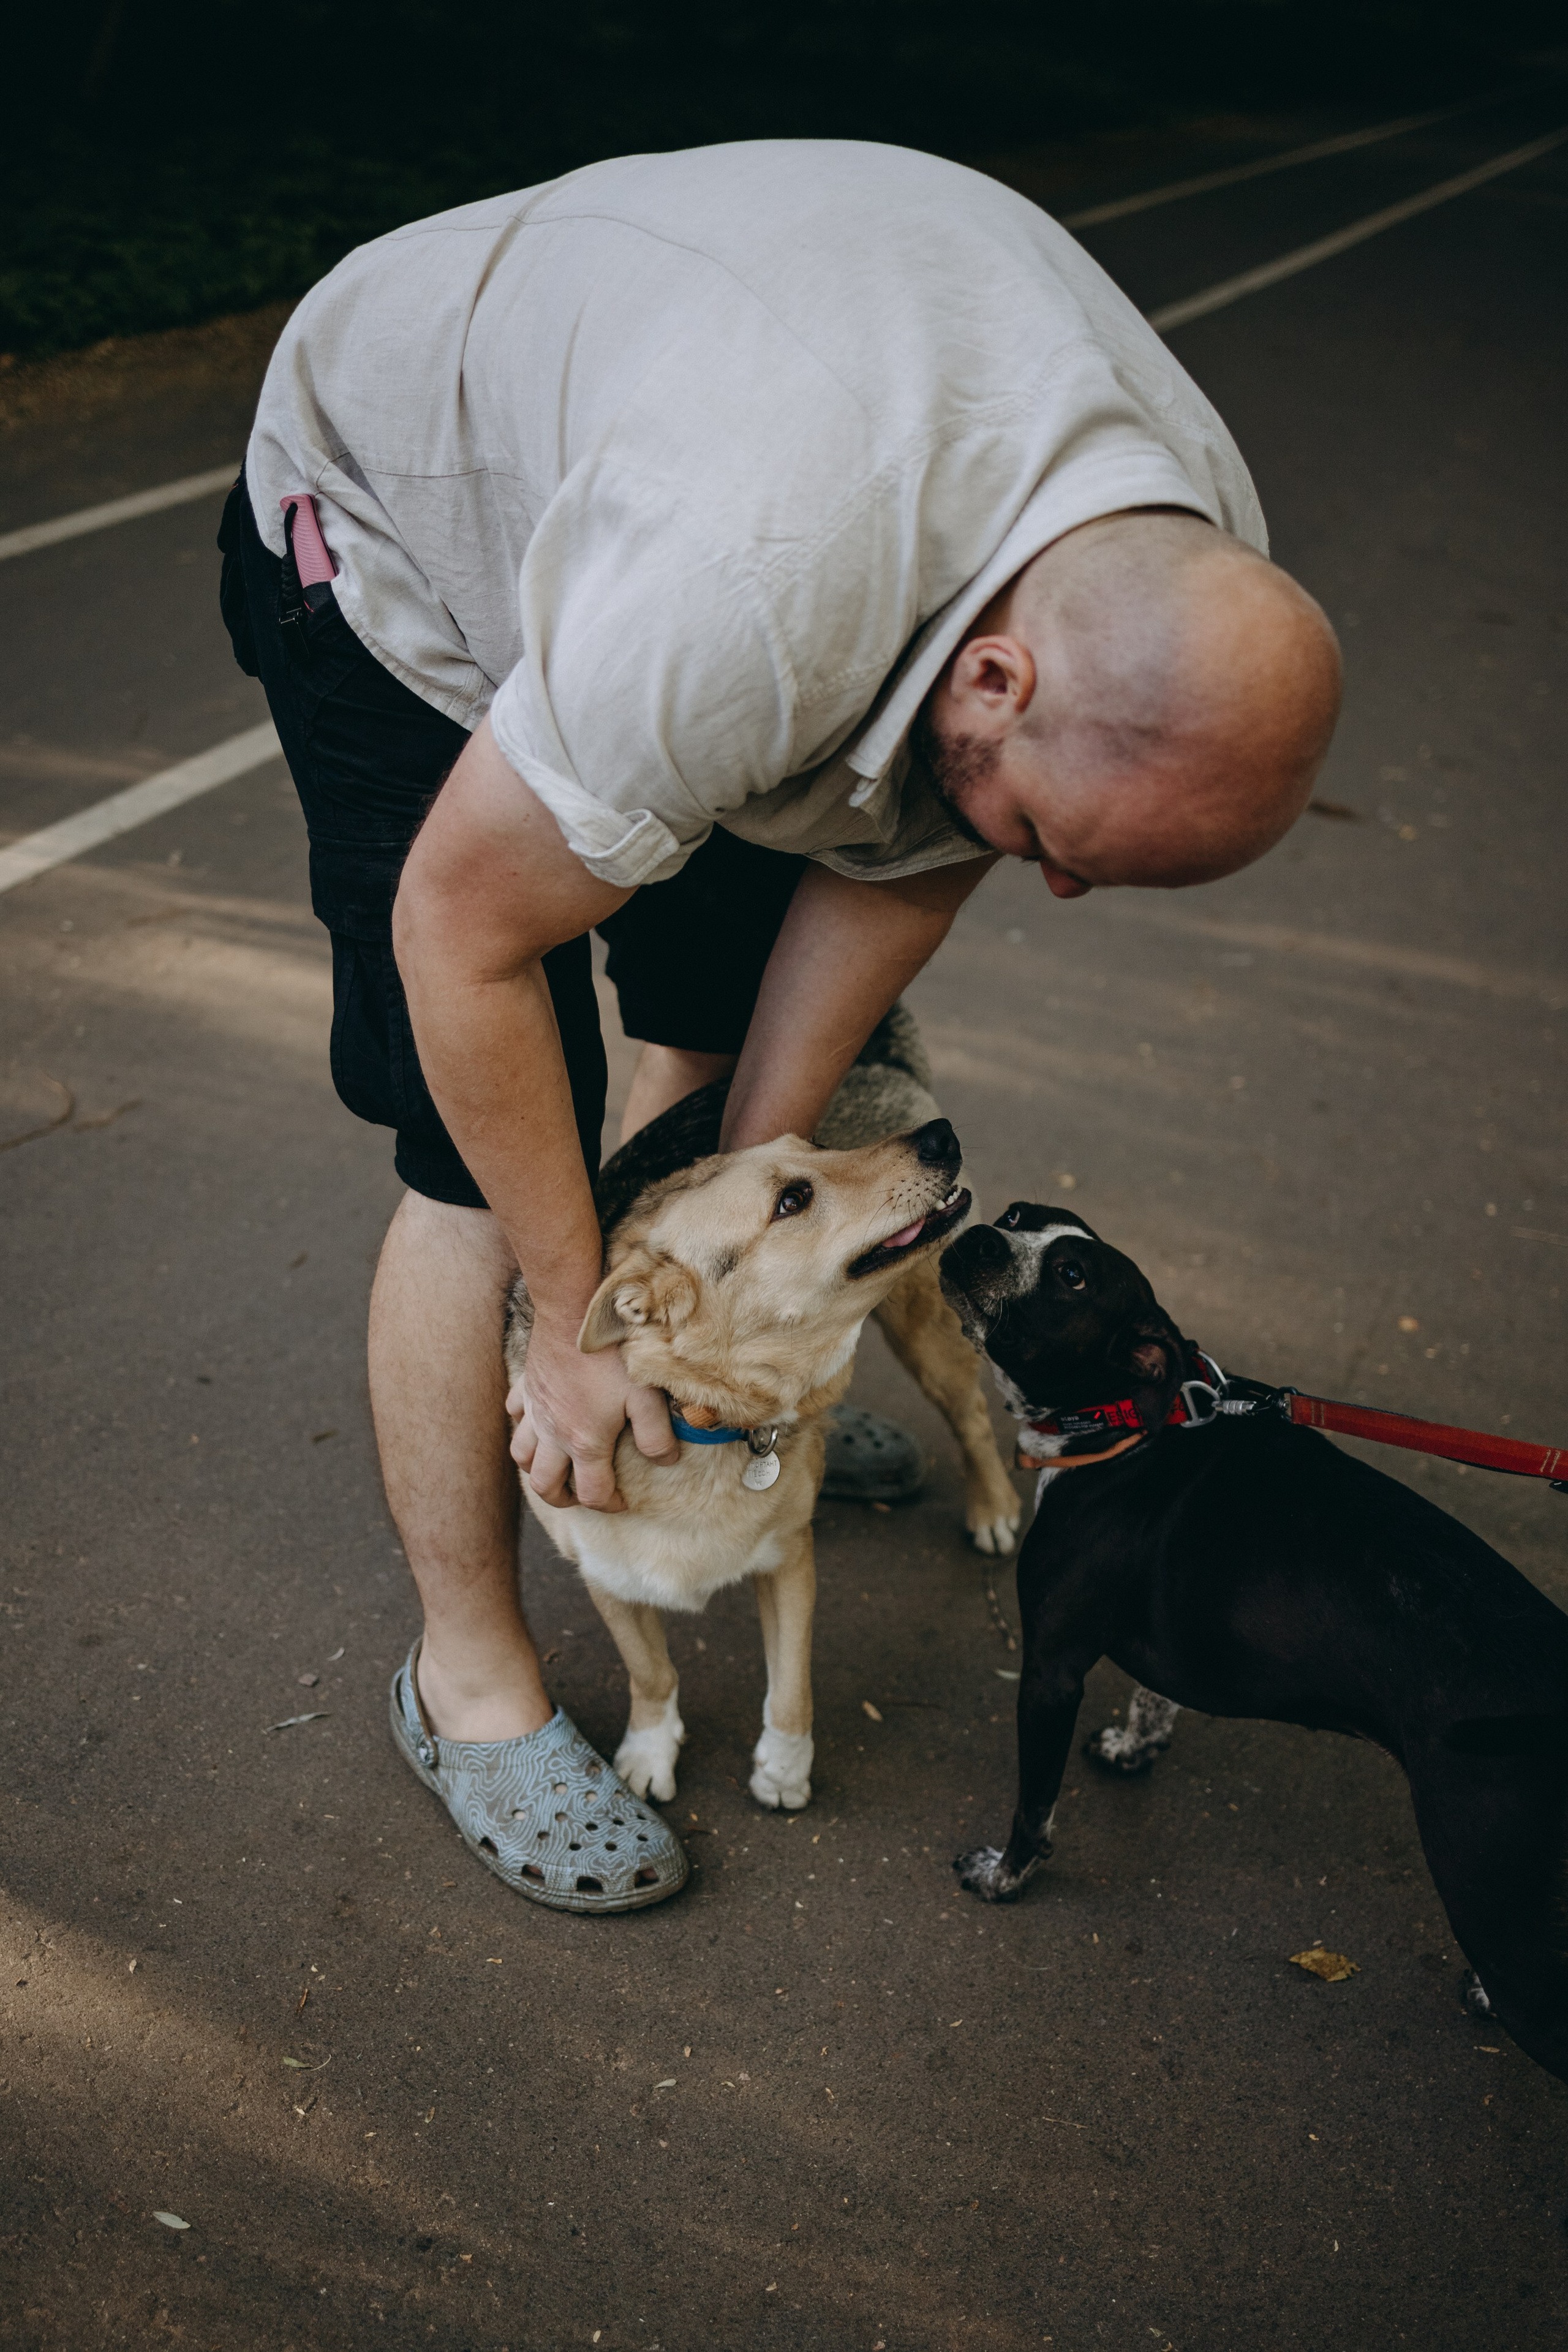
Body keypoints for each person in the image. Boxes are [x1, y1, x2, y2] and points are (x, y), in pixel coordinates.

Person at [221, 139, 1341, 1912]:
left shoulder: (1169, 564)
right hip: (394, 551)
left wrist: (769, 1222)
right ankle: (470, 1683)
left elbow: (912, 850)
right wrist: (583, 1331)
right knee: (476, 1156)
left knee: (711, 1031)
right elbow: (464, 936)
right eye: (1050, 846)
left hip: (770, 555)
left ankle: (697, 1411)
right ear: (996, 678)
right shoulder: (743, 594)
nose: (1042, 890)